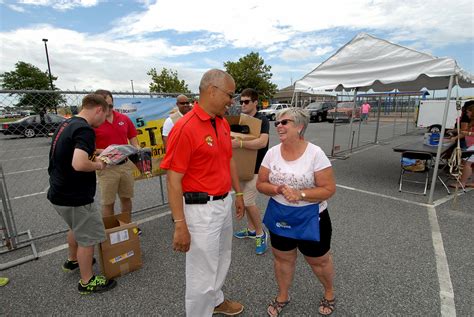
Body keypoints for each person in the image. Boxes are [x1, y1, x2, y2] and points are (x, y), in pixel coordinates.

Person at [160, 69, 245, 317]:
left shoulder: (220, 122)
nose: (232, 100)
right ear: (212, 90)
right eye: (230, 94)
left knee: (221, 257)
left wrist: (238, 195)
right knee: (200, 272)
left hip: (223, 202)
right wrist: (179, 225)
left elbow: (228, 160)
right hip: (200, 210)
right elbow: (173, 180)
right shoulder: (185, 128)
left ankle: (215, 300)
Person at [256, 107, 337, 316]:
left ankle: (329, 292)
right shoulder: (272, 153)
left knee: (318, 260)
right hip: (280, 214)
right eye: (277, 123)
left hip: (311, 216)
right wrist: (277, 189)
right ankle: (283, 294)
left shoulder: (315, 153)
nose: (279, 126)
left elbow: (329, 189)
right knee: (282, 258)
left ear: (299, 126)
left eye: (285, 122)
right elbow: (260, 184)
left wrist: (300, 194)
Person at [47, 94, 117, 294]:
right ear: (99, 110)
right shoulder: (85, 129)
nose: (103, 121)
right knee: (88, 239)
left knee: (75, 228)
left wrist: (97, 151)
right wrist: (99, 165)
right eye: (104, 116)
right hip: (75, 196)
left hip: (59, 193)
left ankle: (73, 260)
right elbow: (78, 163)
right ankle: (87, 281)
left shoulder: (66, 124)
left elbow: (71, 151)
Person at [233, 88, 270, 255]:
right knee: (244, 200)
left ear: (255, 102)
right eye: (241, 101)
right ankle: (250, 229)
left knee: (248, 202)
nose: (243, 104)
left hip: (256, 168)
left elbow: (262, 142)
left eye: (246, 101)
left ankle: (261, 234)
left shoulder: (262, 119)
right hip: (241, 167)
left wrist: (240, 144)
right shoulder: (241, 120)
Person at [94, 89, 139, 219]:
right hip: (106, 167)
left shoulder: (123, 118)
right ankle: (111, 232)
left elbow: (133, 138)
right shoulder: (94, 123)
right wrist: (104, 151)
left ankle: (126, 225)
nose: (108, 109)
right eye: (104, 106)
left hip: (125, 165)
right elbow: (88, 149)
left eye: (111, 105)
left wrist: (136, 149)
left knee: (126, 198)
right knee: (108, 202)